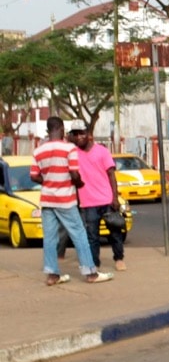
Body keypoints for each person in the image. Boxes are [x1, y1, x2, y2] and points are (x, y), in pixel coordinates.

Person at [29, 117, 112, 285]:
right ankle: (90, 272)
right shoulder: (69, 149)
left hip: (47, 199)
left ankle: (52, 275)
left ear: (48, 130)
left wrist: (48, 181)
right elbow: (74, 174)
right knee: (79, 234)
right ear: (61, 129)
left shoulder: (38, 151)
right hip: (65, 199)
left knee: (50, 238)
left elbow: (34, 176)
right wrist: (78, 182)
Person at [68, 124, 126, 271]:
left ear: (89, 134)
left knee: (115, 232)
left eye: (81, 133)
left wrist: (115, 198)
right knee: (92, 236)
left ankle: (119, 258)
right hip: (88, 203)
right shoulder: (73, 154)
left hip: (107, 200)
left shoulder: (102, 151)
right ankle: (95, 263)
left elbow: (111, 175)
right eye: (75, 134)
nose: (79, 136)